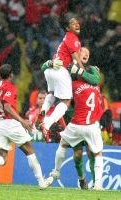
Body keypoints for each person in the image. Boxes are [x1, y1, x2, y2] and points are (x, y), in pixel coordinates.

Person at [0, 64, 53, 190]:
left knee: (2, 158)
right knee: (30, 151)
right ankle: (41, 182)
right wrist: (22, 120)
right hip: (10, 123)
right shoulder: (11, 87)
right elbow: (7, 107)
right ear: (11, 75)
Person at [49, 47, 104, 190]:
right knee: (78, 153)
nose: (86, 53)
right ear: (76, 54)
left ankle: (58, 171)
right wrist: (51, 64)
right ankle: (84, 179)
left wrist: (77, 71)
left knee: (90, 152)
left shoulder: (89, 74)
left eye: (88, 52)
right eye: (83, 51)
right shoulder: (77, 76)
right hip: (80, 117)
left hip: (79, 119)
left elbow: (95, 78)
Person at [38, 16, 99, 142]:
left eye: (77, 22)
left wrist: (49, 64)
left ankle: (43, 112)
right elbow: (75, 56)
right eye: (73, 23)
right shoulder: (73, 39)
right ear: (67, 28)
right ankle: (46, 124)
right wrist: (82, 71)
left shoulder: (65, 41)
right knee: (65, 102)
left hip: (52, 71)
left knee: (52, 93)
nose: (77, 25)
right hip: (61, 71)